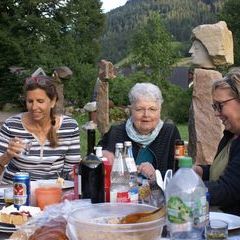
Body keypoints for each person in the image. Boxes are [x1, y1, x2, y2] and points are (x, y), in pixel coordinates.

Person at [0, 75, 81, 183]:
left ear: (52, 102)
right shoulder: (11, 125)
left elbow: (70, 175)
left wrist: (78, 172)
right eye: (30, 101)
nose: (34, 107)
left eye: (40, 101)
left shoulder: (69, 127)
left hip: (52, 193)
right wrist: (7, 156)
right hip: (16, 193)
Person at [99, 82, 181, 179]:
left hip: (159, 193)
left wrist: (156, 175)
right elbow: (90, 162)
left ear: (160, 110)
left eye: (152, 109)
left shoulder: (170, 132)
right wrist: (102, 156)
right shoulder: (116, 132)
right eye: (139, 109)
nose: (146, 115)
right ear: (131, 110)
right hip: (122, 191)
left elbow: (180, 172)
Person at [194, 68, 240, 215]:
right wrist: (202, 171)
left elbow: (228, 189)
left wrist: (185, 189)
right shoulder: (230, 136)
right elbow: (230, 171)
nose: (216, 113)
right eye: (215, 106)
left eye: (220, 105)